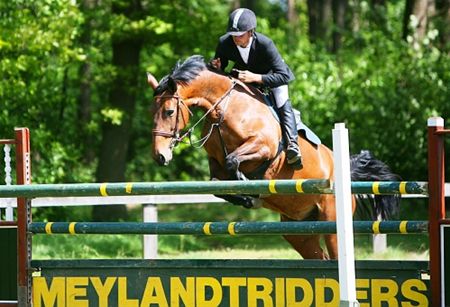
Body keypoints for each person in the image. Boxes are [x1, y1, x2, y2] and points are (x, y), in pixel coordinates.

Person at [210, 8, 302, 169]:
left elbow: (284, 76)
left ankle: (293, 145)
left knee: (282, 101)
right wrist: (216, 66)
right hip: (245, 77)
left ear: (251, 32)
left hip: (272, 77)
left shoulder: (265, 44)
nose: (236, 38)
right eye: (233, 35)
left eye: (240, 34)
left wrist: (256, 77)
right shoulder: (225, 42)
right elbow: (222, 64)